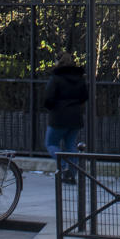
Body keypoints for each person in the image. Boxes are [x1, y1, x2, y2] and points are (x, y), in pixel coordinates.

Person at [42, 52, 87, 185]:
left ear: (58, 62)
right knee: (71, 145)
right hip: (75, 116)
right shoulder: (79, 78)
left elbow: (48, 97)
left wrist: (51, 107)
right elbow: (84, 96)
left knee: (50, 143)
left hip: (58, 116)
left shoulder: (56, 78)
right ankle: (71, 173)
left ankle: (63, 164)